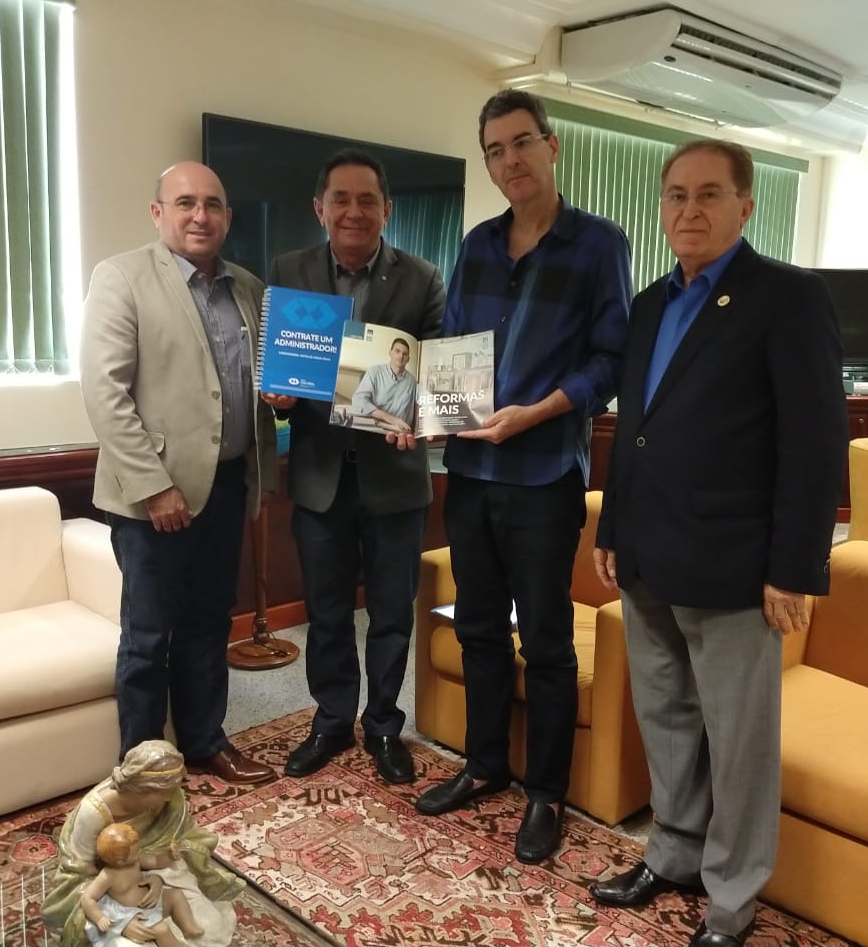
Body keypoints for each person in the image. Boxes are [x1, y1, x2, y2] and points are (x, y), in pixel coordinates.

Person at [588, 140, 847, 947]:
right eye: (676, 195)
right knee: (666, 717)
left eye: (708, 194)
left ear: (746, 205)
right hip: (647, 556)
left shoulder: (788, 297)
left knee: (738, 744)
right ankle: (672, 853)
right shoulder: (650, 303)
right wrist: (612, 525)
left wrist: (794, 568)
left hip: (736, 565)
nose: (689, 210)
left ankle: (731, 900)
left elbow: (814, 443)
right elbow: (634, 426)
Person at [411, 90, 631, 865]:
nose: (511, 161)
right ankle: (484, 765)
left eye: (522, 143)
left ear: (551, 145)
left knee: (544, 639)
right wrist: (426, 410)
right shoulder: (476, 245)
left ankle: (546, 793)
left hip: (543, 475)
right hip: (471, 470)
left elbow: (611, 361)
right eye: (495, 151)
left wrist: (535, 412)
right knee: (476, 624)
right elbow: (451, 351)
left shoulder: (599, 244)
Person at [79, 161, 278, 785]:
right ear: (157, 212)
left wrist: (280, 398)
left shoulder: (250, 289)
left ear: (228, 216)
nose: (200, 215)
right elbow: (105, 393)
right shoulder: (121, 278)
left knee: (209, 624)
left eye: (213, 204)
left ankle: (204, 742)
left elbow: (256, 385)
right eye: (185, 202)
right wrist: (155, 487)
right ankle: (143, 773)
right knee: (147, 636)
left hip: (227, 487)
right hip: (154, 499)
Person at [262, 149, 444, 785]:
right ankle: (332, 719)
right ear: (320, 208)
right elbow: (279, 363)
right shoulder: (289, 270)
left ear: (386, 210)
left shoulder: (423, 277)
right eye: (340, 199)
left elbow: (436, 377)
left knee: (392, 613)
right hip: (319, 478)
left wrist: (422, 414)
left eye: (367, 200)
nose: (354, 211)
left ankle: (385, 724)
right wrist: (277, 394)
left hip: (396, 478)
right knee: (328, 610)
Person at [43, 741, 244, 947]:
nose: (169, 799)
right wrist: (119, 921)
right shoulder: (94, 813)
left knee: (210, 928)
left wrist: (156, 878)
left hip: (153, 875)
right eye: (163, 794)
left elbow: (170, 848)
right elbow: (80, 876)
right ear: (141, 789)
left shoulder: (169, 798)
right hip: (108, 895)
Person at [82, 822, 203, 947]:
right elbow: (87, 898)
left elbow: (156, 861)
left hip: (152, 901)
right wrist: (99, 918)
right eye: (135, 852)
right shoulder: (108, 876)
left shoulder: (136, 860)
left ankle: (189, 928)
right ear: (120, 861)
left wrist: (170, 856)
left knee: (176, 895)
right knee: (162, 930)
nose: (139, 852)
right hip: (136, 913)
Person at [351, 337, 418, 433]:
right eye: (397, 351)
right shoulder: (374, 372)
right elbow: (358, 400)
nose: (401, 356)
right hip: (376, 428)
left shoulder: (412, 381)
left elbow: (415, 409)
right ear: (390, 353)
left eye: (405, 354)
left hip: (400, 433)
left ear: (408, 359)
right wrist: (391, 419)